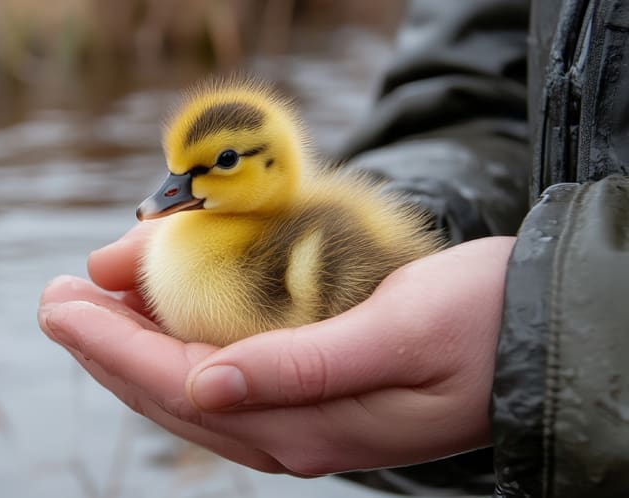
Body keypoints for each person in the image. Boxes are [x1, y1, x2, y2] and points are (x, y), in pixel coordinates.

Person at [38, 0, 629, 496]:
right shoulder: (273, 229)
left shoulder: (291, 256)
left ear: (271, 162)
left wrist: (540, 335)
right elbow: (476, 96)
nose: (170, 193)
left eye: (212, 167)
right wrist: (440, 217)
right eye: (176, 176)